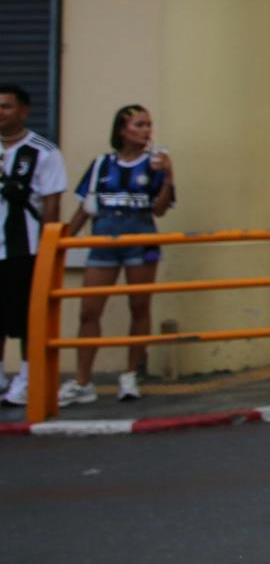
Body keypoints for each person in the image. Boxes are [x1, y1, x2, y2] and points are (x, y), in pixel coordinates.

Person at [60, 105, 174, 404]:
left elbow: (160, 209)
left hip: (142, 240)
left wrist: (168, 177)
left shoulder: (155, 164)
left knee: (139, 306)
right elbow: (85, 206)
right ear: (122, 130)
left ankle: (130, 374)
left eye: (149, 124)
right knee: (89, 311)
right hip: (104, 240)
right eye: (139, 124)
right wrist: (64, 242)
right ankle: (83, 380)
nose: (147, 130)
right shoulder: (101, 165)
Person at [0, 84, 70, 409]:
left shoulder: (43, 151)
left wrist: (48, 250)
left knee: (29, 317)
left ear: (24, 111)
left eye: (7, 106)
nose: (1, 113)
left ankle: (28, 379)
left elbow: (52, 205)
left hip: (25, 248)